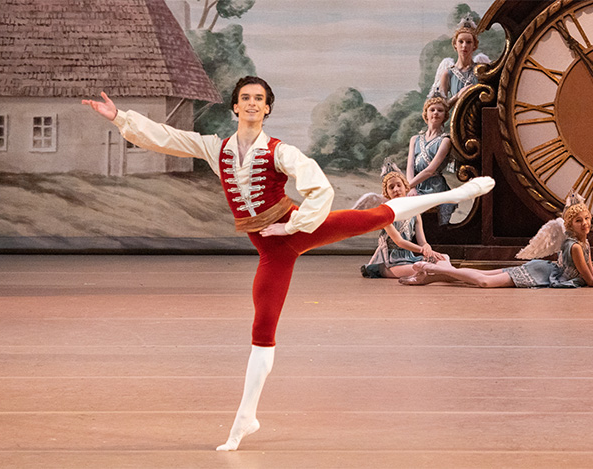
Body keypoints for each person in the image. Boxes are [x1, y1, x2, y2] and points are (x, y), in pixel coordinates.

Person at [82, 76, 495, 451]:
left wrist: (293, 225)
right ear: (234, 107)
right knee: (262, 330)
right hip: (270, 254)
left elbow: (319, 186)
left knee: (378, 215)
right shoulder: (217, 148)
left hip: (295, 231)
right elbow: (169, 138)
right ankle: (246, 419)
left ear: (267, 109)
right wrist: (120, 117)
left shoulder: (280, 151)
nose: (250, 104)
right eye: (244, 98)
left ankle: (454, 195)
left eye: (258, 100)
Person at [399, 193, 593, 288]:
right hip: (540, 273)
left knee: (483, 275)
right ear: (570, 225)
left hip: (544, 269)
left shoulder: (585, 243)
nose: (586, 224)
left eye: (587, 219)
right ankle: (433, 267)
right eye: (579, 221)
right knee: (484, 281)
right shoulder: (576, 247)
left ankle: (438, 272)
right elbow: (590, 280)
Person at [361, 159, 447, 278]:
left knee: (444, 258)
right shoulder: (386, 213)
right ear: (387, 193)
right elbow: (399, 242)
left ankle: (460, 275)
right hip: (390, 262)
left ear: (406, 187)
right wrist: (423, 251)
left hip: (408, 257)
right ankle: (460, 276)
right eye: (391, 187)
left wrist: (427, 246)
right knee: (425, 269)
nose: (396, 189)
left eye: (398, 185)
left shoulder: (415, 212)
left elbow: (422, 241)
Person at [406, 95, 456, 225]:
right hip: (415, 185)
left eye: (440, 110)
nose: (436, 113)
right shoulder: (415, 139)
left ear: (445, 116)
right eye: (432, 109)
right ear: (426, 114)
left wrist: (407, 186)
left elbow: (430, 170)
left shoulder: (445, 141)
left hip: (434, 187)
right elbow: (410, 166)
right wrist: (411, 188)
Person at [435, 16, 489, 109]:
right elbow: (441, 108)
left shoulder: (480, 71)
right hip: (456, 120)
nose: (464, 46)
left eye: (468, 42)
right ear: (455, 45)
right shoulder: (448, 74)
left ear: (474, 46)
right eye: (461, 42)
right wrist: (458, 96)